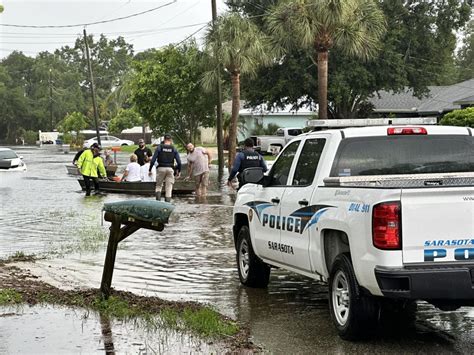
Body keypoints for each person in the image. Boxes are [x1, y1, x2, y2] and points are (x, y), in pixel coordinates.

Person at [149, 134, 181, 202]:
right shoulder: (174, 148)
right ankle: (167, 204)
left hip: (160, 168)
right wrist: (179, 171)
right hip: (170, 169)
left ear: (164, 139)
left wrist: (150, 169)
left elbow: (153, 160)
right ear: (171, 140)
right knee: (169, 188)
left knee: (158, 186)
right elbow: (179, 162)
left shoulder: (159, 147)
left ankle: (158, 202)